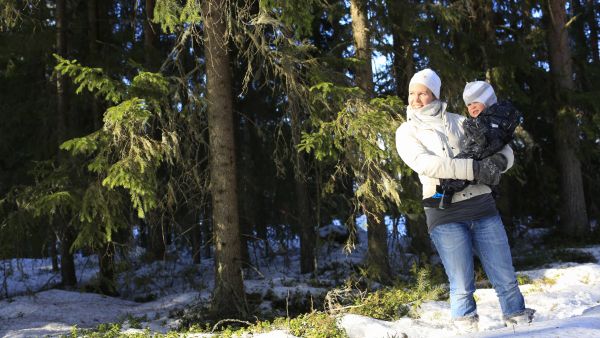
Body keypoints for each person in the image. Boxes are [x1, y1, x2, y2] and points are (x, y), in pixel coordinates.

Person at [395, 69, 534, 332]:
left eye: (422, 93)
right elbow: (426, 164)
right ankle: (466, 328)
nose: (416, 98)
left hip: (482, 206)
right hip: (442, 211)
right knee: (461, 283)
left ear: (434, 94)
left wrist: (498, 163)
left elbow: (503, 148)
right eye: (412, 93)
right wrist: (474, 169)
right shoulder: (406, 131)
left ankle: (521, 323)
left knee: (504, 276)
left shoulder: (460, 121)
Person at [437, 81, 523, 209]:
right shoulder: (497, 115)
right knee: (468, 170)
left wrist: (471, 128)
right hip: (483, 151)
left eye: (475, 102)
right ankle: (447, 191)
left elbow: (485, 141)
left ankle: (445, 192)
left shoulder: (492, 118)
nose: (472, 107)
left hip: (481, 149)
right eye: (469, 105)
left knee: (460, 169)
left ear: (487, 100)